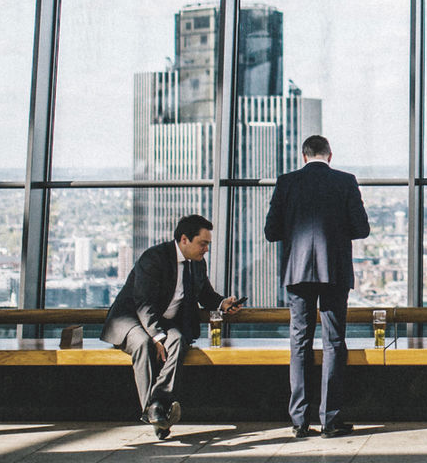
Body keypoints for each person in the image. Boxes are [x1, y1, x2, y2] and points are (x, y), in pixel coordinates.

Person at [264, 134, 370, 439]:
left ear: (303, 156)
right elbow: (361, 229)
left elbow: (272, 232)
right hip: (333, 271)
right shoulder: (346, 181)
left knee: (299, 342)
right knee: (334, 342)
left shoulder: (286, 183)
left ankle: (298, 420)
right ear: (330, 156)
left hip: (297, 273)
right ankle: (330, 420)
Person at [100, 214, 240, 439]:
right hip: (130, 318)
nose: (206, 249)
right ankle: (155, 411)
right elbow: (143, 303)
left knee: (177, 340)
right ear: (184, 239)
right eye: (202, 243)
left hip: (161, 321)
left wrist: (223, 303)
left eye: (208, 244)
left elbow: (206, 294)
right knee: (144, 343)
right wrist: (156, 336)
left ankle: (157, 405)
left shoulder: (197, 264)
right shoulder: (154, 258)